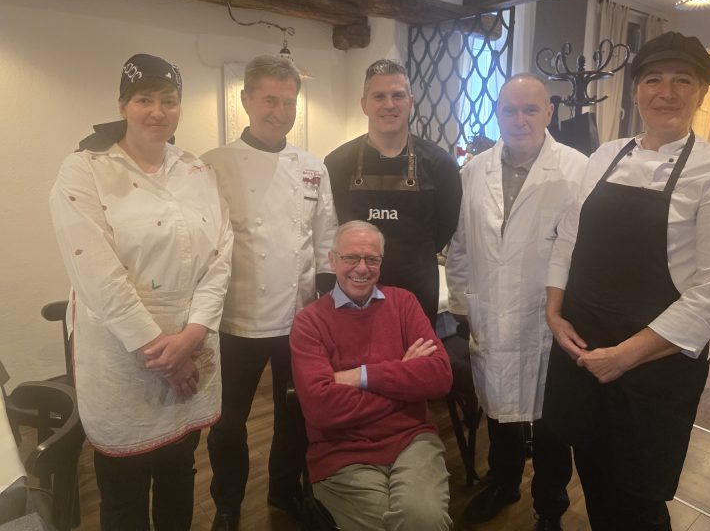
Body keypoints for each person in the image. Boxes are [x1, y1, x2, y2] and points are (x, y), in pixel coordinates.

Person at [543, 32, 710, 531]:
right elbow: (569, 237)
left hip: (654, 365)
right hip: (582, 350)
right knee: (592, 470)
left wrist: (623, 356)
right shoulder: (606, 155)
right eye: (654, 79)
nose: (667, 92)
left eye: (683, 81)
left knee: (638, 498)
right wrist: (554, 312)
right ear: (636, 90)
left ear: (701, 93)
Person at [49, 54, 233, 530]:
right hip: (123, 357)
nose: (157, 111)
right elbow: (98, 275)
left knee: (179, 475)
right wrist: (165, 356)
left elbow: (220, 257)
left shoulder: (197, 171)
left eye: (168, 100)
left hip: (193, 345)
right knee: (123, 496)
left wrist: (193, 336)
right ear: (122, 105)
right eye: (144, 100)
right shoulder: (85, 169)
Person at [201, 55, 337, 530]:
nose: (280, 112)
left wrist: (326, 308)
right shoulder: (213, 164)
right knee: (227, 422)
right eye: (270, 100)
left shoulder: (312, 168)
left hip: (297, 317)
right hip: (234, 318)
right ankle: (227, 504)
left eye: (288, 102)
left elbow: (325, 239)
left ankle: (284, 491)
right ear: (246, 100)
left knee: (294, 415)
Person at [446, 74, 584, 531]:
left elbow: (584, 253)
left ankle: (550, 508)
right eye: (510, 110)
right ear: (498, 114)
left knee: (551, 425)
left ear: (549, 113)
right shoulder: (474, 170)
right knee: (499, 412)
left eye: (530, 109)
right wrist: (461, 302)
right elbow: (461, 244)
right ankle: (503, 484)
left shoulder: (577, 170)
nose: (520, 119)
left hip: (548, 319)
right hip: (490, 312)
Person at [290, 220, 453, 531]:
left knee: (424, 521)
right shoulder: (309, 322)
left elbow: (440, 377)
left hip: (412, 442)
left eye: (372, 259)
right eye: (351, 257)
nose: (362, 268)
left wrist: (360, 376)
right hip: (341, 454)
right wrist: (404, 383)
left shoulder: (404, 303)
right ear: (332, 260)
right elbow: (321, 409)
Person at [324, 59, 462, 326]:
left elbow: (446, 228)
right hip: (354, 291)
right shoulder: (336, 164)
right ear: (364, 104)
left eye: (397, 95)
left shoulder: (441, 165)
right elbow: (330, 228)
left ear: (410, 102)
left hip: (418, 291)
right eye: (379, 96)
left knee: (415, 353)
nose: (389, 104)